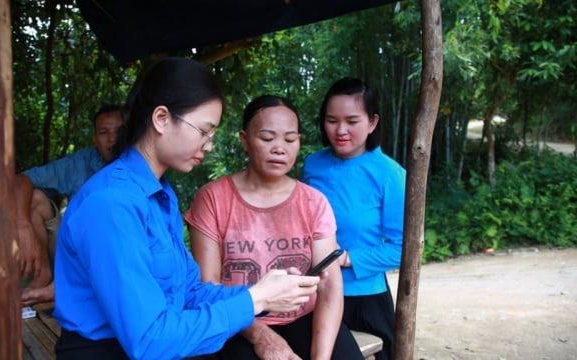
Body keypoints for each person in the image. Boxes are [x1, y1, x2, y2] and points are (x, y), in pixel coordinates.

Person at [52, 57, 320, 360]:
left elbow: (189, 291)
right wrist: (254, 301)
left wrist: (263, 291)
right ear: (162, 118)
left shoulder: (159, 194)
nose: (208, 145)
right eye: (204, 131)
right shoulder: (112, 203)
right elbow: (149, 340)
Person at [185, 94, 364, 360]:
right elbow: (207, 285)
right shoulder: (212, 199)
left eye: (290, 139)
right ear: (245, 140)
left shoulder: (313, 202)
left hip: (305, 318)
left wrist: (321, 358)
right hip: (238, 322)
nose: (279, 148)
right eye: (267, 138)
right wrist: (262, 337)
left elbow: (329, 285)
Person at [301, 77, 406, 360]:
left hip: (365, 298)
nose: (340, 130)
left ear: (372, 123)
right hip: (314, 292)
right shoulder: (313, 165)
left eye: (352, 120)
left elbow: (402, 249)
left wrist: (346, 258)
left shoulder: (390, 174)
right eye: (332, 120)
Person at [17, 104, 123, 306]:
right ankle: (43, 277)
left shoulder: (143, 167)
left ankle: (64, 288)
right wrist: (22, 225)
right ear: (94, 139)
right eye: (103, 132)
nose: (112, 138)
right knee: (34, 197)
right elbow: (21, 180)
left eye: (120, 131)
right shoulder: (82, 162)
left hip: (111, 262)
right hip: (71, 256)